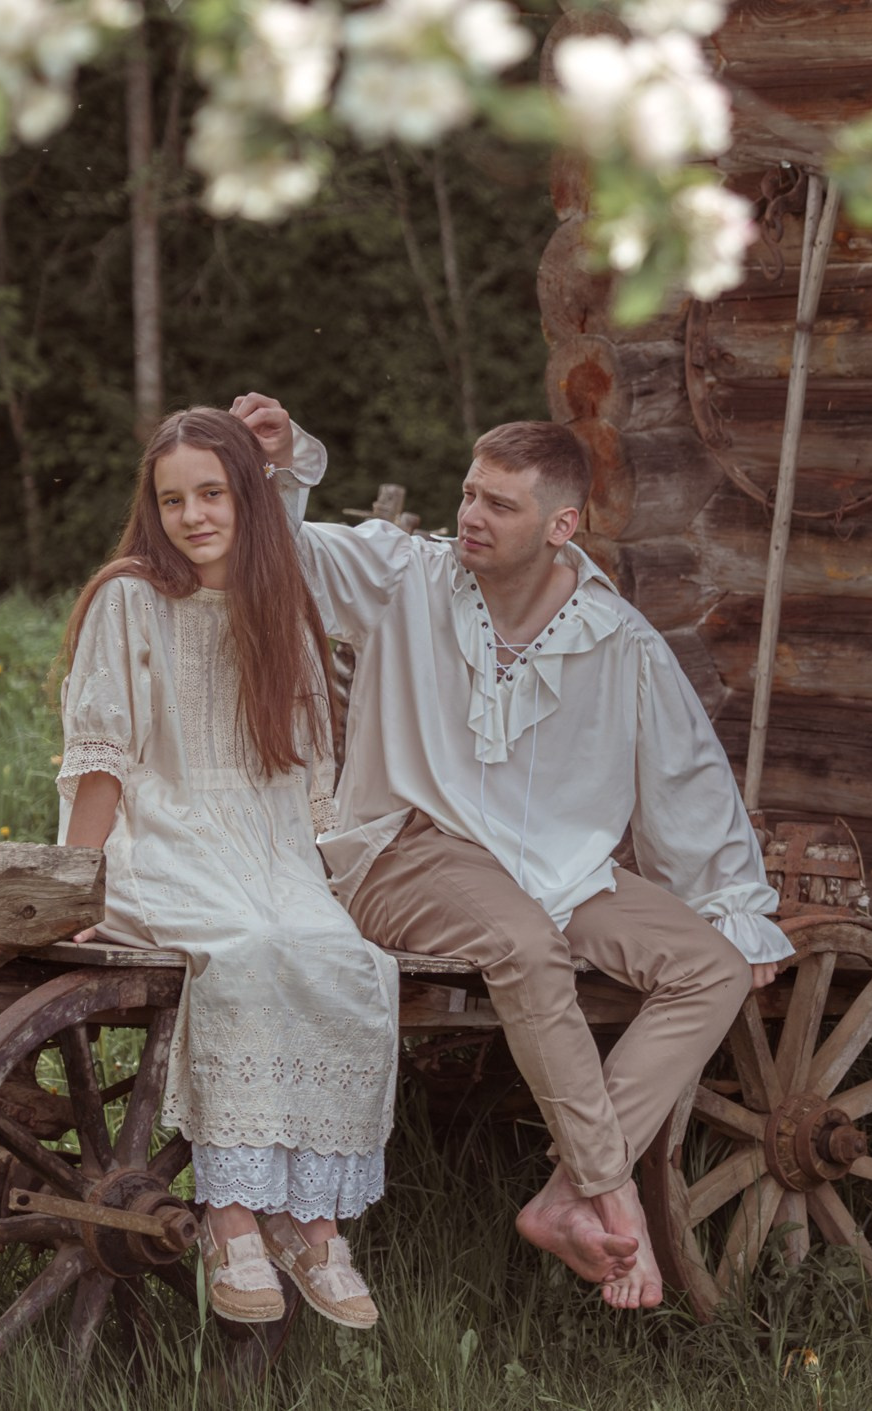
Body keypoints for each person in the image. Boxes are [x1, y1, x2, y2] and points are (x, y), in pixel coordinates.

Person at [229, 392, 792, 1311]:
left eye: (500, 504)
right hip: (409, 851)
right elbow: (289, 551)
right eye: (467, 495)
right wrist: (285, 460)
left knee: (714, 965)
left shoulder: (618, 641)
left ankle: (568, 1193)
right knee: (525, 944)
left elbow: (685, 781)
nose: (470, 519)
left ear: (562, 524)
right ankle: (616, 1198)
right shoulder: (408, 577)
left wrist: (736, 905)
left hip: (557, 871)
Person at [56, 406, 400, 1329]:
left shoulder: (274, 602)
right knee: (242, 949)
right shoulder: (129, 597)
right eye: (172, 499)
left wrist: (319, 859)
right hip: (163, 833)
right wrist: (67, 886)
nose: (193, 514)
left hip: (264, 837)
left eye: (211, 492)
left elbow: (299, 760)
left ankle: (313, 1227)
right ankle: (233, 1216)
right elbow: (104, 756)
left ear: (246, 496)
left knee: (346, 960)